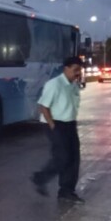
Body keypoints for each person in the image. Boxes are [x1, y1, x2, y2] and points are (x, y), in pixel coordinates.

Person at [31, 56, 85, 203]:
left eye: (79, 70)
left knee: (74, 158)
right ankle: (40, 178)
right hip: (56, 124)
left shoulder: (73, 85)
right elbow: (43, 106)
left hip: (70, 124)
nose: (77, 73)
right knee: (63, 157)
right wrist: (53, 126)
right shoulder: (54, 84)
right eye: (75, 70)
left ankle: (66, 191)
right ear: (66, 69)